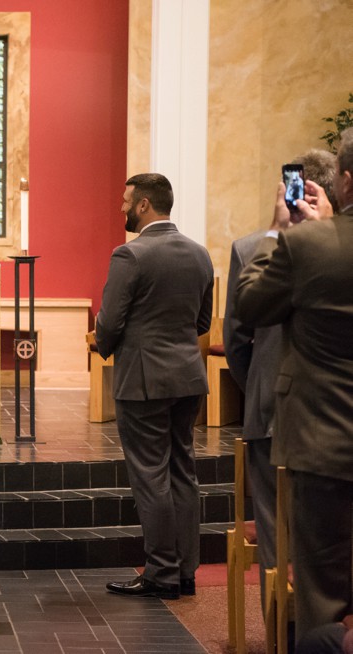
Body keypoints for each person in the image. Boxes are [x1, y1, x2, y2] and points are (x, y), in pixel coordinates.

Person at [235, 129, 353, 642]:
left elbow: (252, 306)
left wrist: (280, 234)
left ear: (346, 182)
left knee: (323, 592)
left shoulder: (307, 245)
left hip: (325, 442)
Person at [223, 149, 337, 599]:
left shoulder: (254, 248)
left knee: (275, 534)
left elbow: (236, 338)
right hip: (334, 415)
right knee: (330, 539)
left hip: (270, 407)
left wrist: (259, 384)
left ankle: (281, 633)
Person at [95, 173, 213, 600]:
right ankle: (186, 571)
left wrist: (103, 346)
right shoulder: (200, 254)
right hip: (187, 376)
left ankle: (161, 572)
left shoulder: (131, 254)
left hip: (144, 379)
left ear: (143, 205)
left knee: (150, 476)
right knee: (183, 470)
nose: (122, 208)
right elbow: (202, 322)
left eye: (126, 201)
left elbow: (109, 321)